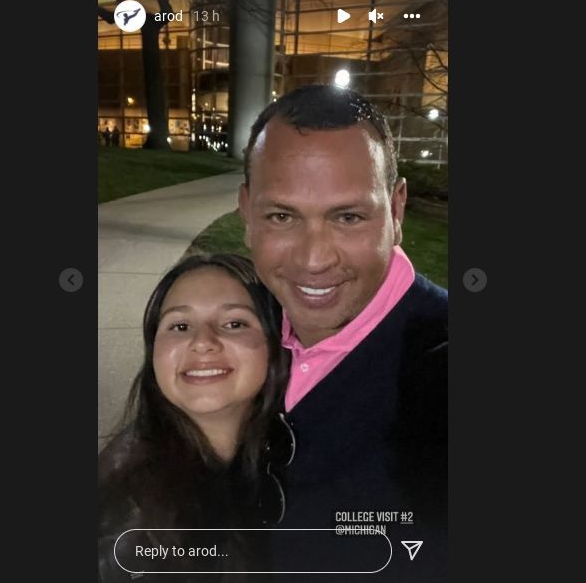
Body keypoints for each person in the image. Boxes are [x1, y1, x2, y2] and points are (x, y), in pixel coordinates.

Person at [238, 85, 448, 579]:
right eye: (282, 216)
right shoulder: (240, 330)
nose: (314, 260)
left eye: (348, 217)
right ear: (246, 212)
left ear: (395, 212)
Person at [98, 254, 290, 582]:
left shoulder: (301, 452)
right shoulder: (123, 518)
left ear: (276, 343)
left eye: (234, 323)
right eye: (180, 326)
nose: (202, 342)